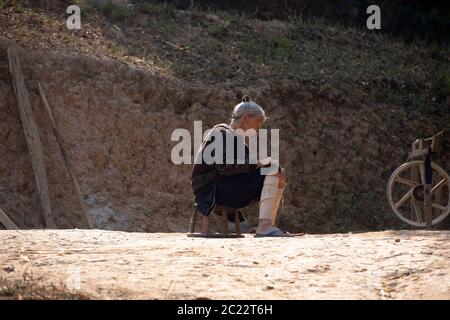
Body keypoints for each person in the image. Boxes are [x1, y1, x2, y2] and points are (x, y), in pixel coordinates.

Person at [191, 95, 292, 237]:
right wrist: (259, 163)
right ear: (245, 118)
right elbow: (224, 167)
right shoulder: (221, 133)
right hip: (212, 192)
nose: (257, 130)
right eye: (257, 124)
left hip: (221, 188)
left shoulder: (234, 138)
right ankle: (265, 226)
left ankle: (268, 224)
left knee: (277, 171)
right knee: (272, 169)